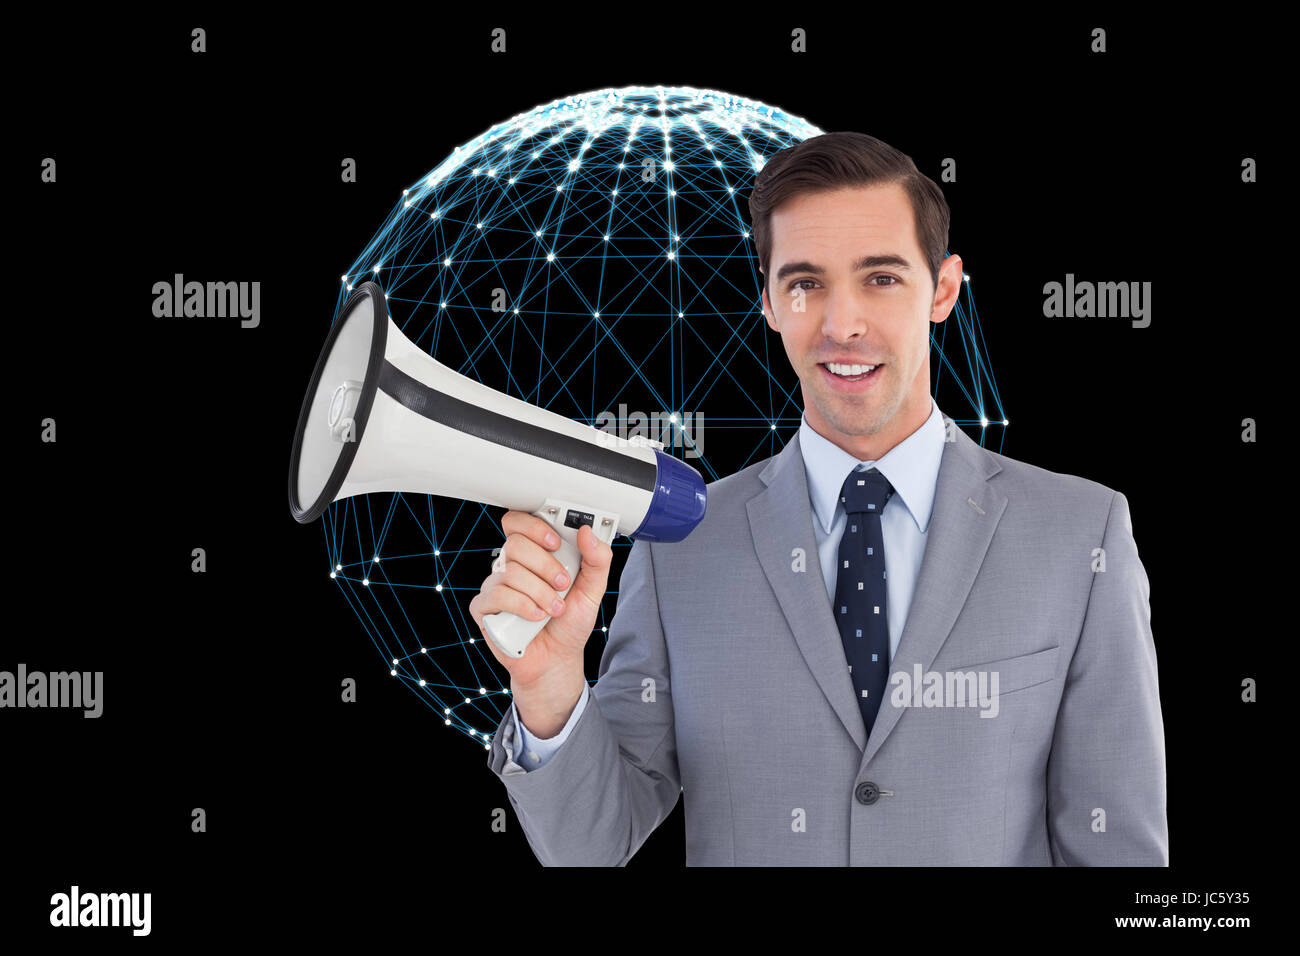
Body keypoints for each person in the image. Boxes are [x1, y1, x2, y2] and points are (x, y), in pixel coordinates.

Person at [472, 130, 1168, 866]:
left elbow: (1118, 854)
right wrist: (549, 691)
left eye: (881, 278)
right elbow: (591, 846)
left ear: (943, 289)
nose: (842, 326)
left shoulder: (1080, 533)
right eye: (805, 283)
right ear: (769, 300)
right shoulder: (680, 548)